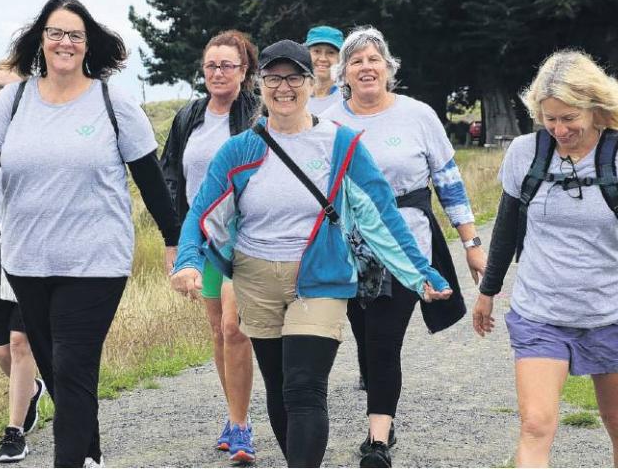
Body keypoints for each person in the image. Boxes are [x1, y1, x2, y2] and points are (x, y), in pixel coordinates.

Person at [170, 39, 452, 468]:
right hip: (255, 278)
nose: (284, 87)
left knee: (305, 386)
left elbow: (381, 215)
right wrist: (189, 261)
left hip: (320, 276)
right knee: (281, 388)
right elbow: (203, 213)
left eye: (294, 77)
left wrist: (419, 273)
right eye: (273, 78)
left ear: (311, 80)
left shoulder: (342, 145)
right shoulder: (239, 149)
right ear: (260, 83)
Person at [0, 0, 179, 467]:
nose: (64, 42)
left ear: (88, 45)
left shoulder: (113, 101)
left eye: (75, 35)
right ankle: (89, 455)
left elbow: (149, 176)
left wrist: (173, 239)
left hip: (96, 259)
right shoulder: (13, 100)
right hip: (27, 259)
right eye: (55, 33)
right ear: (40, 40)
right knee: (57, 367)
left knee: (71, 365)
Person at [322, 26, 486, 468]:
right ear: (344, 74)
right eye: (356, 61)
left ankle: (378, 437)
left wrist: (471, 242)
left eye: (374, 59)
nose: (366, 67)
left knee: (384, 339)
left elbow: (448, 182)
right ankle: (378, 400)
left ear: (388, 67)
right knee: (363, 334)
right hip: (349, 247)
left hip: (405, 244)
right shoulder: (329, 120)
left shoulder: (417, 115)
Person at [473, 50, 618, 468]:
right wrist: (488, 291)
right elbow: (506, 227)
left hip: (609, 313)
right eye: (549, 119)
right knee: (536, 425)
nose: (559, 129)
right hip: (541, 312)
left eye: (569, 118)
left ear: (594, 107)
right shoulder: (526, 152)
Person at [160, 29, 259, 463]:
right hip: (203, 239)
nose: (218, 73)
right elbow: (169, 177)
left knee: (236, 328)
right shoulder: (189, 116)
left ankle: (241, 427)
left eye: (228, 65)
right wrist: (173, 239)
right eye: (211, 65)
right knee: (219, 330)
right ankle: (236, 414)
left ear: (245, 70)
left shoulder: (257, 114)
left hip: (247, 236)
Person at [0, 61, 45, 463]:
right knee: (2, 351)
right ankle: (33, 390)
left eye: (8, 87)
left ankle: (14, 431)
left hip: (34, 251)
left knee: (22, 342)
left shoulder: (38, 139)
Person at [304, 25, 344, 115]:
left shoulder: (349, 98)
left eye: (330, 53)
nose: (322, 59)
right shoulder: (295, 95)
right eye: (317, 51)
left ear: (340, 58)